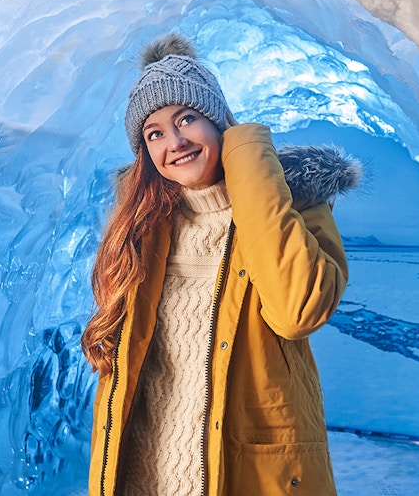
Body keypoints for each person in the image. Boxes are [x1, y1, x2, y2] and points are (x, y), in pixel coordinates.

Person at [82, 35, 361, 496]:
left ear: (220, 123)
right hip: (143, 478)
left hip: (244, 480)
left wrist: (247, 158)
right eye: (154, 133)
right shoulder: (140, 230)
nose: (175, 141)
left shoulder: (300, 207)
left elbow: (298, 311)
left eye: (187, 118)